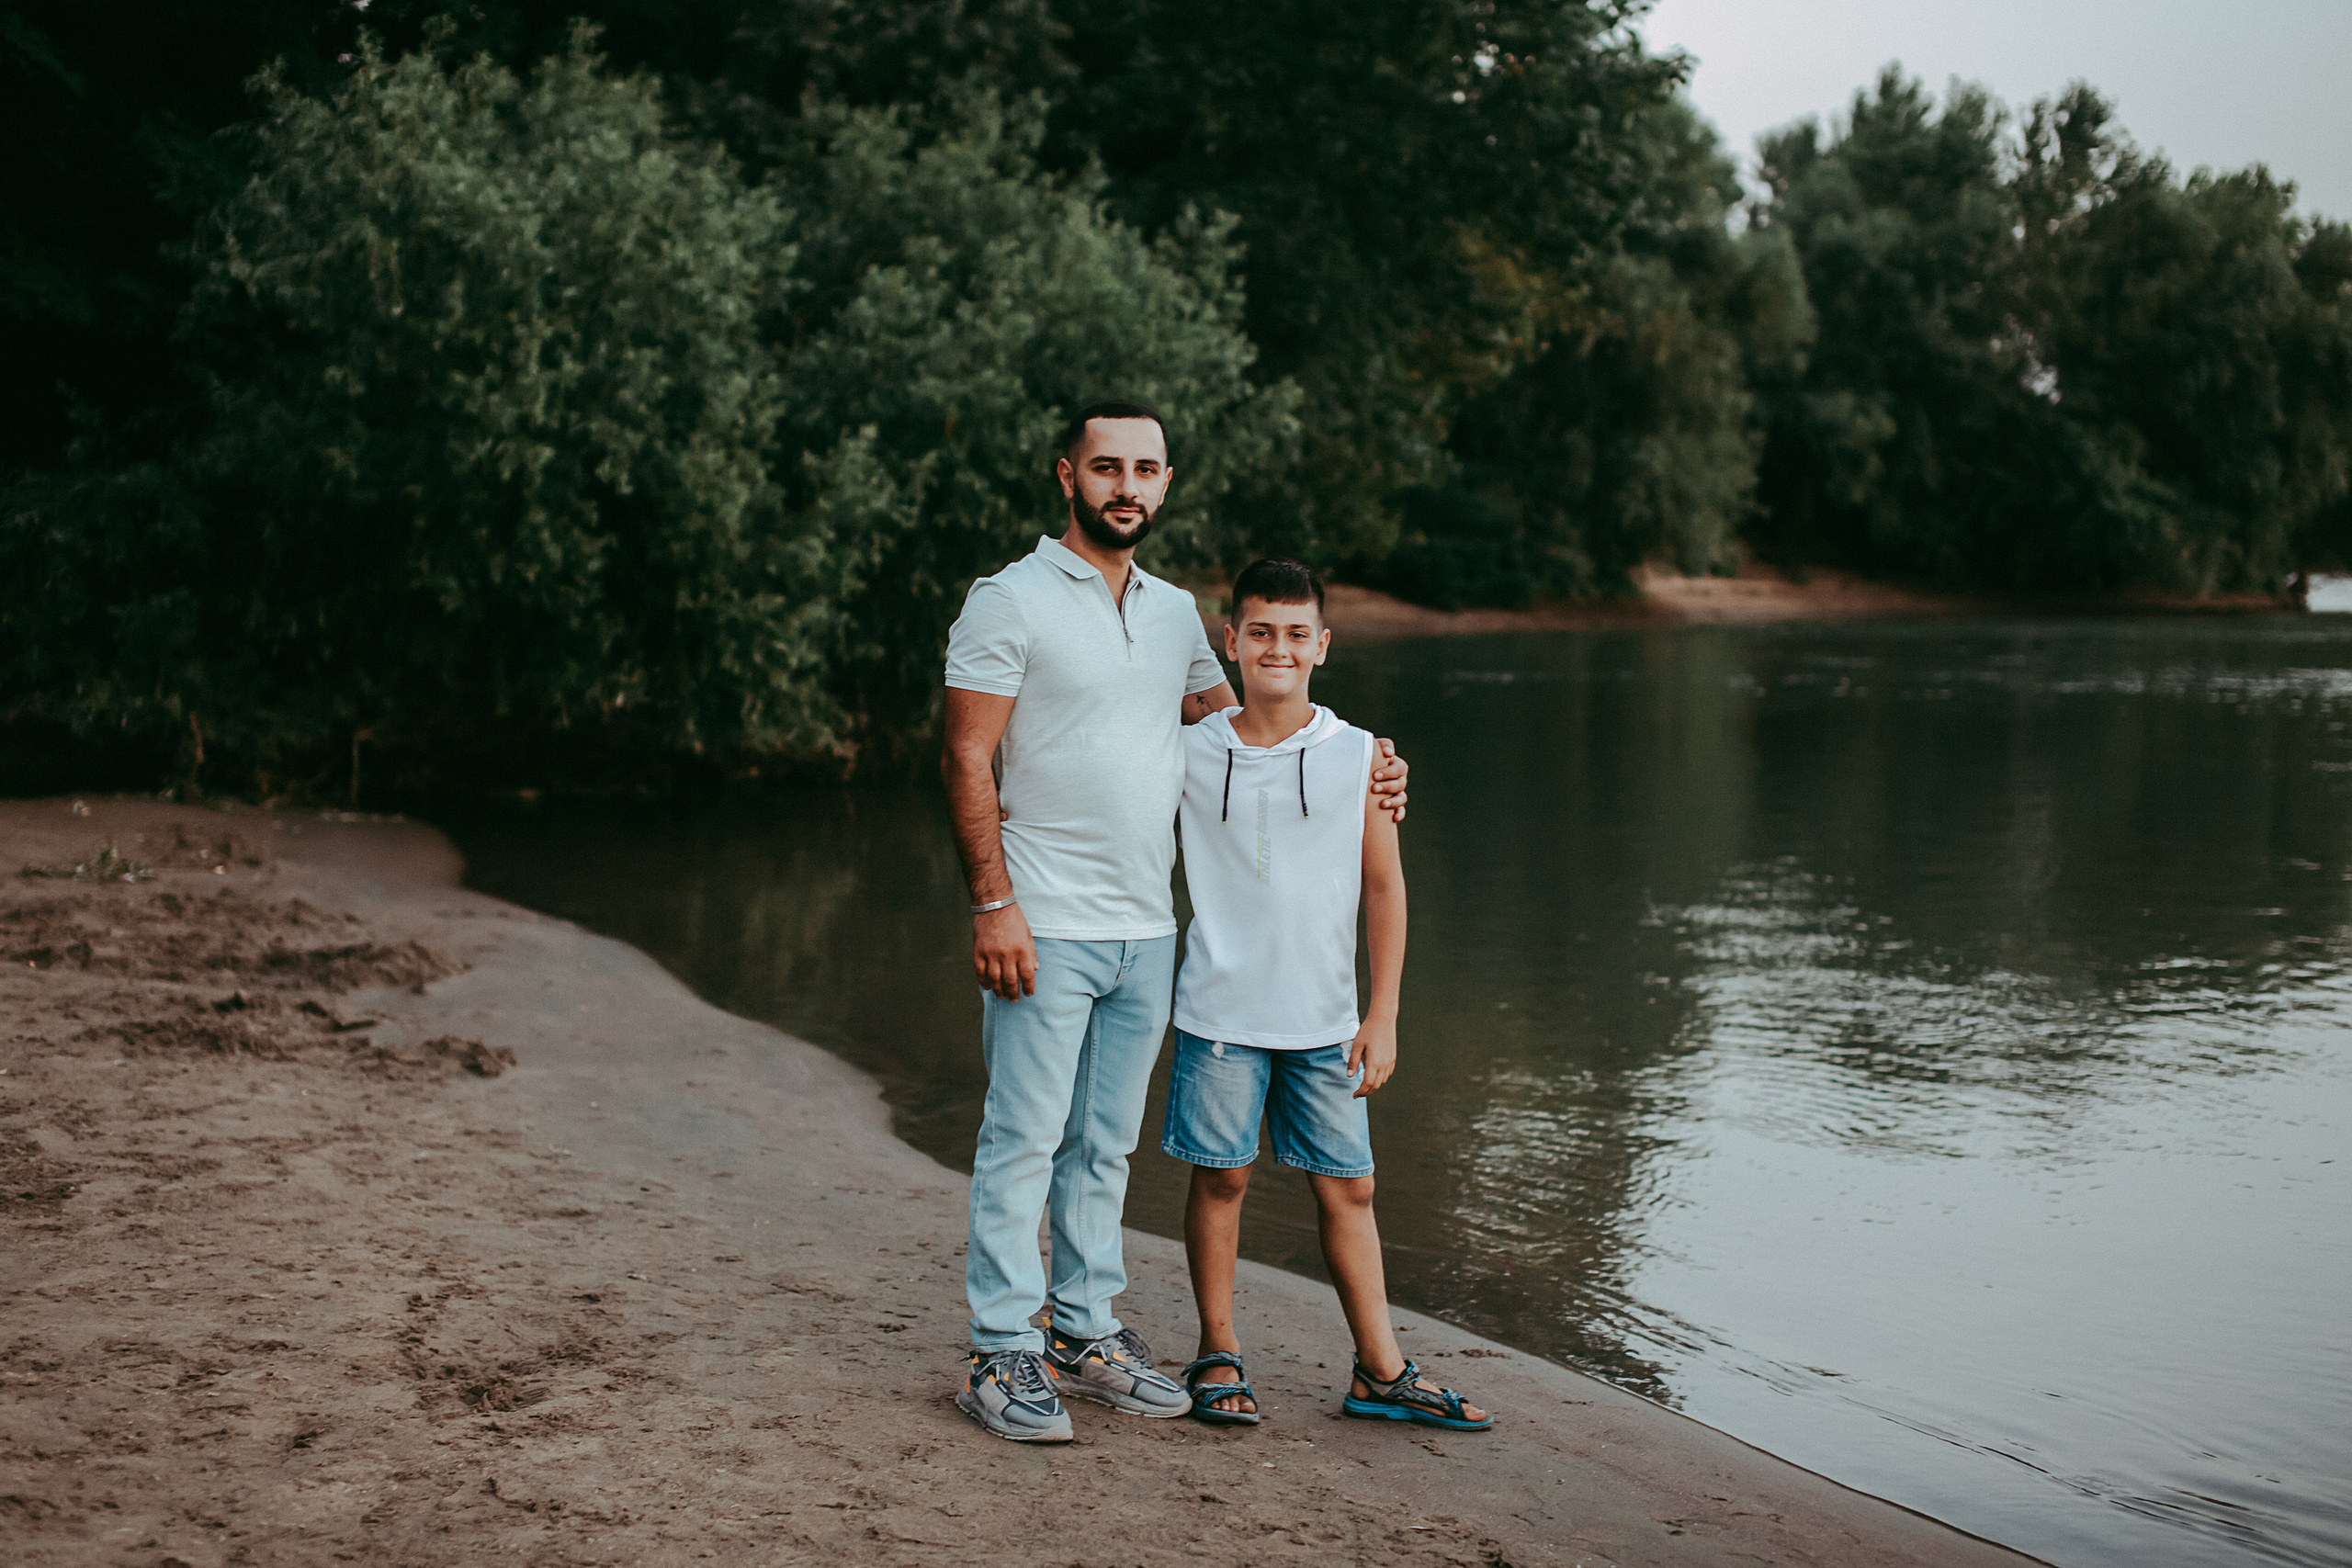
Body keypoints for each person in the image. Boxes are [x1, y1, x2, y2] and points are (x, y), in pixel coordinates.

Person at [939, 401, 1409, 1442]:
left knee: (1105, 1145)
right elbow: (966, 756)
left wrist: (1366, 772)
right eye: (1107, 467)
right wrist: (992, 904)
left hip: (1149, 929)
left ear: (1163, 483)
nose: (1127, 487)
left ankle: (1083, 1330)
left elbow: (1242, 725)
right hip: (1040, 917)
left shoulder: (1171, 614)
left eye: (1145, 469)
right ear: (1068, 475)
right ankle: (1001, 1352)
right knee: (1024, 1135)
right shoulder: (1006, 600)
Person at [1164, 558, 1490, 1433]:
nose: (1279, 648)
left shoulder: (1359, 757)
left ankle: (1380, 1369)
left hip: (1325, 1022)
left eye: (1297, 634)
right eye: (1260, 632)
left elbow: (1384, 888)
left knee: (1351, 1188)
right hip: (1220, 1013)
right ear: (1230, 641)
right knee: (1222, 1176)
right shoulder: (1189, 749)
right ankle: (1217, 1352)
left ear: (1323, 646)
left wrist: (1382, 1013)